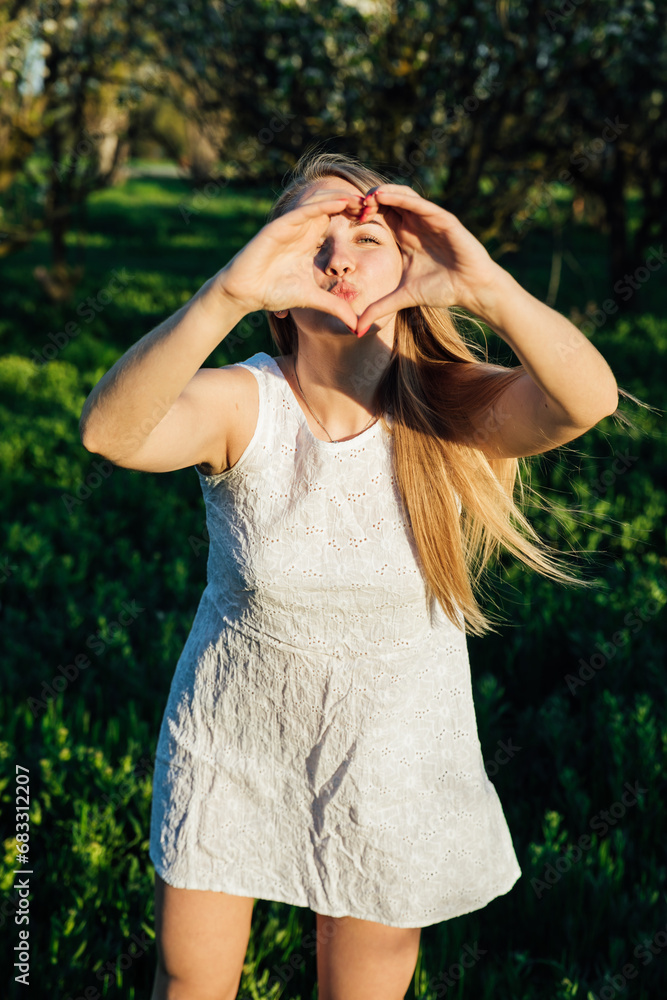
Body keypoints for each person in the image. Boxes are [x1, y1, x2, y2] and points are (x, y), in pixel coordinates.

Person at [79, 151, 621, 1000]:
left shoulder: (449, 406)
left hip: (394, 753)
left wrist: (485, 286)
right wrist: (226, 291)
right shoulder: (244, 404)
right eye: (309, 235)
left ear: (408, 267)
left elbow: (588, 400)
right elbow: (109, 433)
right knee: (189, 981)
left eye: (365, 236)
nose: (337, 256)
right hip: (232, 743)